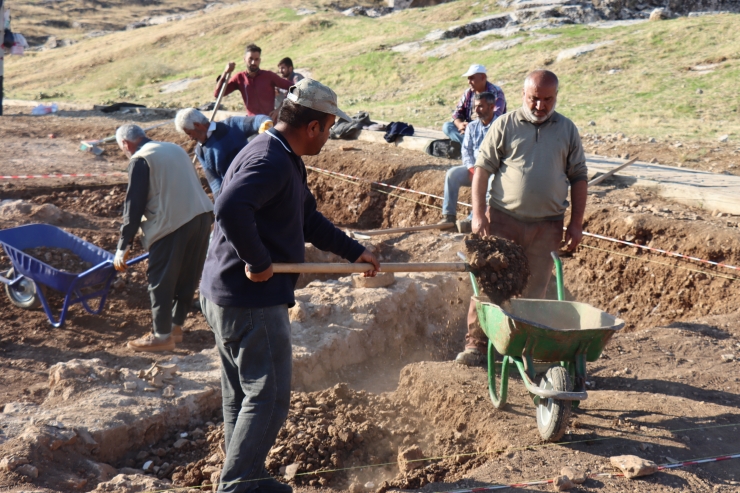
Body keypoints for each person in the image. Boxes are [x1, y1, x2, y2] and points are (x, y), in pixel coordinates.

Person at [199, 78, 380, 493]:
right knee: (271, 395)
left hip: (223, 293)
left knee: (243, 395)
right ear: (312, 126)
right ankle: (240, 482)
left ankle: (242, 474)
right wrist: (258, 261)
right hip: (250, 299)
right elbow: (228, 207)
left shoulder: (279, 153)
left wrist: (354, 252)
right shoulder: (272, 160)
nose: (331, 135)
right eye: (330, 127)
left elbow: (308, 220)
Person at [456, 70, 588, 366]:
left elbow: (579, 176)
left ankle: (522, 348)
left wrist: (576, 224)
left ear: (556, 97)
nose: (540, 105)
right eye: (534, 99)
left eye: (547, 99)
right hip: (504, 219)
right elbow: (482, 171)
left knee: (534, 291)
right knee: (492, 282)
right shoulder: (505, 125)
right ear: (523, 96)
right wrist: (478, 214)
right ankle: (476, 344)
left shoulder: (566, 130)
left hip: (548, 225)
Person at [113, 124, 213, 352]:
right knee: (188, 276)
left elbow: (134, 205)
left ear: (126, 144)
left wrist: (124, 245)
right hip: (202, 217)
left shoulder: (141, 159)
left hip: (172, 224)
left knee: (161, 280)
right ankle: (176, 328)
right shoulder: (174, 148)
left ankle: (161, 336)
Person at [174, 108, 273, 198]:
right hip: (239, 195)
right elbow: (215, 182)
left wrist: (265, 124)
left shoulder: (231, 125)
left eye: (189, 133)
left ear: (197, 125)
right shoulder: (200, 151)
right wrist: (220, 204)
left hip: (259, 183)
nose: (190, 138)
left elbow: (257, 121)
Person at [439, 92, 498, 229]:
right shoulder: (472, 126)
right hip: (475, 168)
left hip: (494, 170)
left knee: (490, 185)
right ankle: (449, 216)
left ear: (491, 107)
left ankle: (472, 220)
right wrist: (472, 168)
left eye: (480, 107)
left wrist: (482, 172)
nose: (476, 110)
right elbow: (466, 150)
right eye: (475, 107)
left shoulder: (500, 126)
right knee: (452, 174)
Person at [214, 44, 292, 119]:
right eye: (250, 59)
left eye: (256, 59)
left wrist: (280, 109)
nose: (253, 62)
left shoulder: (269, 76)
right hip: (251, 123)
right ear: (244, 59)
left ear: (260, 60)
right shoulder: (239, 78)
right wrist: (225, 72)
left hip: (269, 122)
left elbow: (294, 88)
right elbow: (218, 93)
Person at [442, 64, 506, 145]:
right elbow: (457, 113)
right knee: (447, 126)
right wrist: (460, 125)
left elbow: (495, 116)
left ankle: (468, 145)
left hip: (487, 129)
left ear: (483, 77)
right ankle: (473, 146)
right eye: (468, 79)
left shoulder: (496, 92)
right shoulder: (468, 93)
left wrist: (472, 127)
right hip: (470, 128)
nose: (469, 82)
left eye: (472, 78)